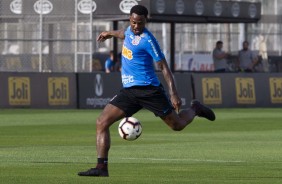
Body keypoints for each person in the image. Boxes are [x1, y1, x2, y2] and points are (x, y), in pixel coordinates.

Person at [78, 5, 215, 177]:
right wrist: (109, 33)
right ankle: (101, 168)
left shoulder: (148, 40)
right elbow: (123, 33)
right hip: (129, 92)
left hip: (150, 91)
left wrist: (173, 93)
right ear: (130, 19)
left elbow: (164, 67)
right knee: (101, 122)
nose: (136, 26)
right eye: (134, 22)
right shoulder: (129, 30)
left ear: (146, 21)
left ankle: (195, 108)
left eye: (140, 23)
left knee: (177, 125)